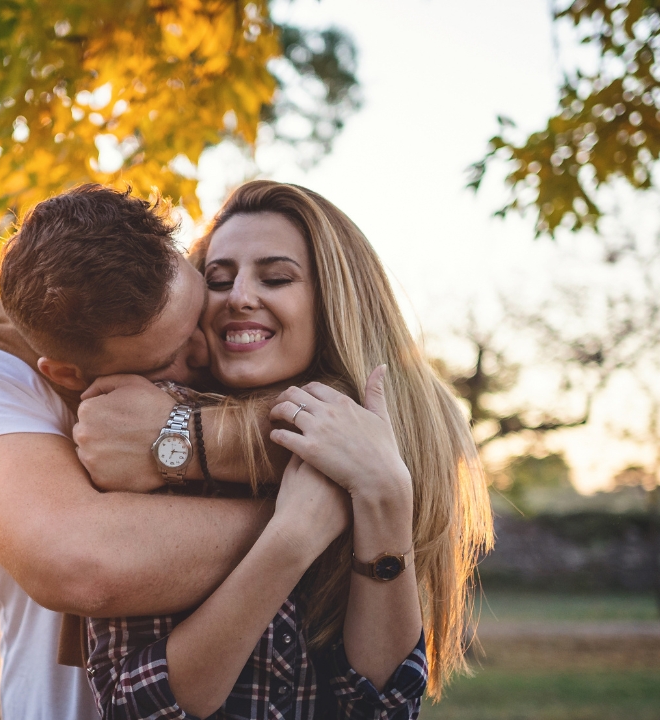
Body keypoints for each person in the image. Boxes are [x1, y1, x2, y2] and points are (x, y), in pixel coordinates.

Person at [76, 181, 494, 718]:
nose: (240, 297)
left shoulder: (392, 442)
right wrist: (291, 539)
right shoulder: (151, 426)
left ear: (335, 301)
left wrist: (385, 493)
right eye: (218, 279)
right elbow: (133, 706)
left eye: (276, 277)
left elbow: (383, 707)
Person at [0, 186, 276, 719]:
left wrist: (179, 434)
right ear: (65, 373)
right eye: (169, 357)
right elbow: (85, 567)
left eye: (198, 310)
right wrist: (307, 517)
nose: (206, 348)